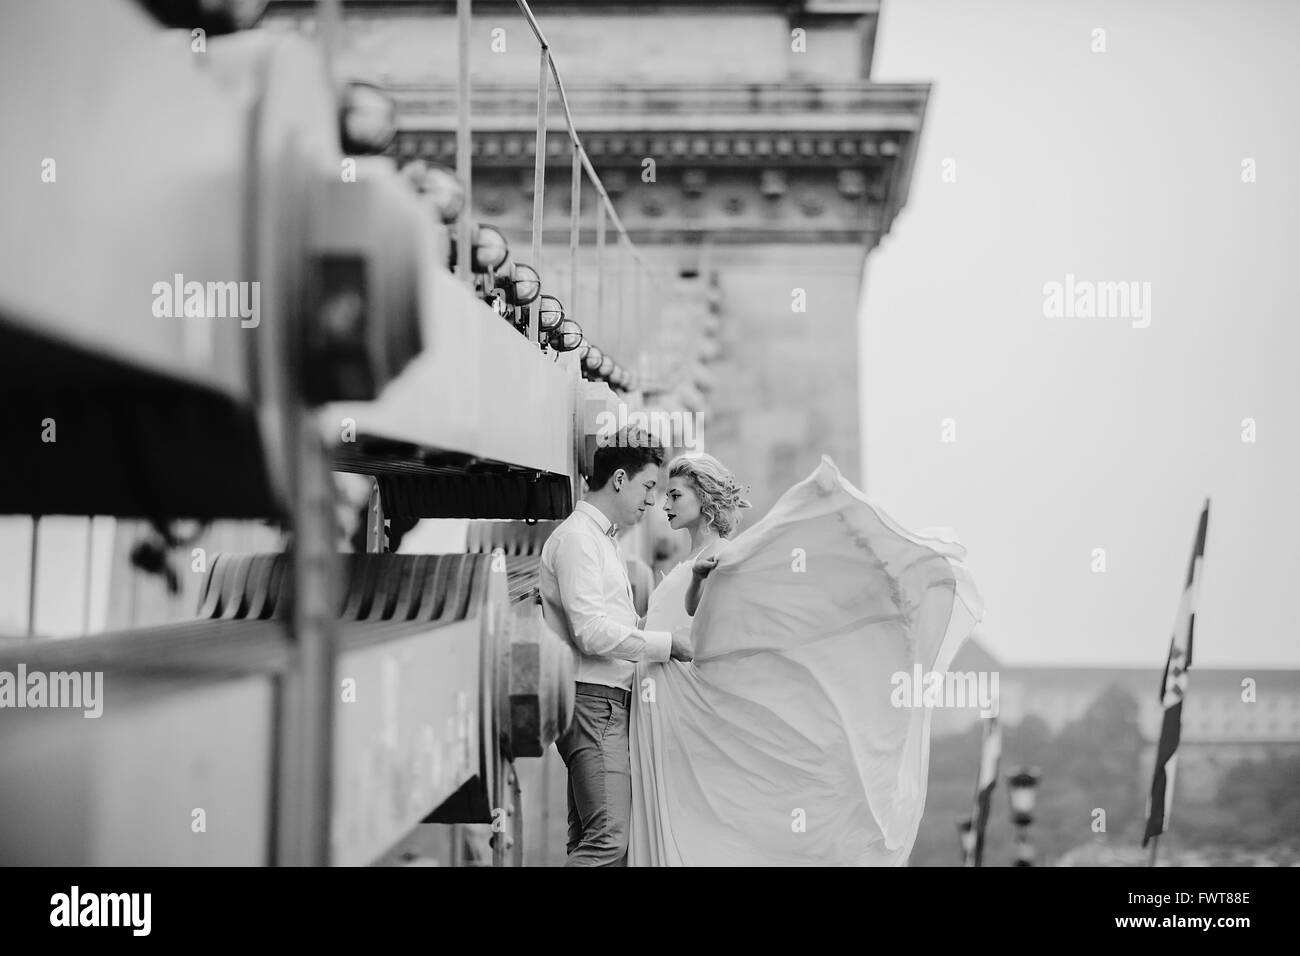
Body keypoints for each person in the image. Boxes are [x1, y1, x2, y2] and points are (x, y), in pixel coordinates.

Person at [629, 454, 984, 866]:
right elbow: (688, 617)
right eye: (663, 496)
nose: (664, 505)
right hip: (662, 708)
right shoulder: (694, 563)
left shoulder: (729, 557)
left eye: (674, 495)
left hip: (682, 708)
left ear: (704, 498)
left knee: (699, 826)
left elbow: (708, 636)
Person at [538, 428, 693, 866]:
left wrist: (652, 625)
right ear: (620, 479)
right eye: (648, 486)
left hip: (599, 701)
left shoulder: (598, 539)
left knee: (587, 837)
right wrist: (668, 644)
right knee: (608, 841)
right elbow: (590, 632)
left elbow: (607, 623)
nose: (652, 501)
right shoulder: (578, 540)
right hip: (593, 701)